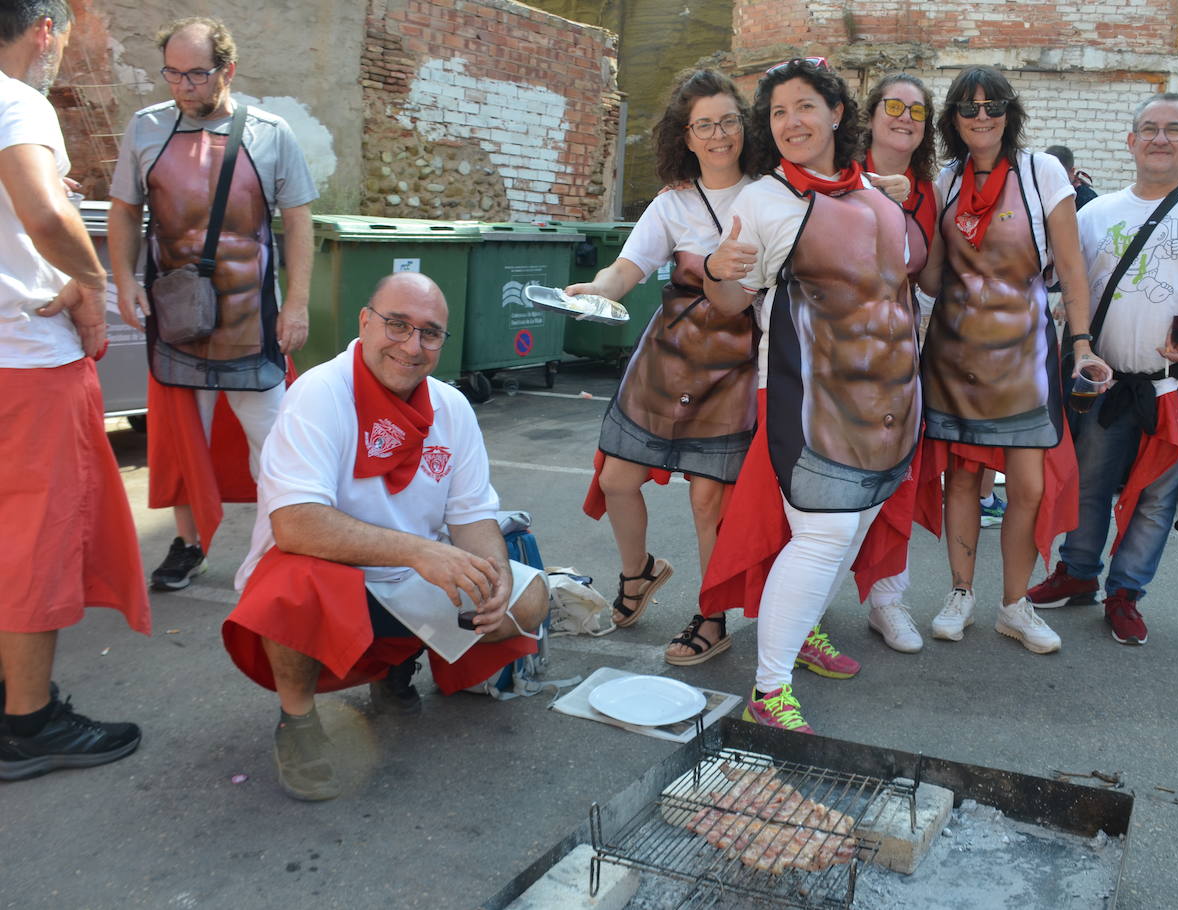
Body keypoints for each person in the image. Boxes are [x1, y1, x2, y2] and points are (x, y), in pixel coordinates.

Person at [222, 273, 549, 800]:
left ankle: (394, 666)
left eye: (429, 333)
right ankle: (298, 721)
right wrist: (422, 552)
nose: (411, 346)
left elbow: (472, 514)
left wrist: (497, 576)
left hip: (410, 575)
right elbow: (297, 523)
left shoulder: (452, 406)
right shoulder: (320, 393)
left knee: (528, 599)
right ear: (365, 322)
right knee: (294, 581)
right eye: (397, 325)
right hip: (334, 576)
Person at [701, 58, 925, 733]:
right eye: (777, 112)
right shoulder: (765, 201)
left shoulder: (875, 195)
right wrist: (717, 270)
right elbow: (730, 300)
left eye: (804, 106)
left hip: (888, 404)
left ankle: (801, 637)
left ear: (835, 113)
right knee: (823, 533)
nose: (790, 121)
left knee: (851, 528)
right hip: (809, 398)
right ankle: (770, 691)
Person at [1027, 92, 1178, 645]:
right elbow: (1064, 284)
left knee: (1158, 493)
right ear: (1131, 140)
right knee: (1089, 483)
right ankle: (1078, 573)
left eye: (1173, 129)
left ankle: (1126, 591)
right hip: (1106, 381)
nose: (1159, 138)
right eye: (1149, 128)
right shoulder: (1095, 213)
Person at [108, 16, 317, 591]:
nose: (182, 86)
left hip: (252, 318)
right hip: (175, 317)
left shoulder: (272, 133)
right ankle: (188, 543)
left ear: (227, 69)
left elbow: (298, 223)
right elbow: (125, 209)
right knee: (180, 447)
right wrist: (125, 281)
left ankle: (280, 546)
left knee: (277, 447)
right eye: (172, 74)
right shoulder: (146, 129)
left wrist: (296, 304)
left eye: (196, 74)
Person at [0, 0, 149, 781]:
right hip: (21, 361)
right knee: (32, 542)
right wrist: (91, 279)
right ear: (44, 30)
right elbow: (44, 212)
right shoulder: (15, 100)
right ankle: (26, 723)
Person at [568, 69, 758, 666]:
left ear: (744, 127)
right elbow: (625, 270)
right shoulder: (672, 202)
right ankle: (639, 573)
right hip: (666, 358)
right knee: (617, 478)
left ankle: (711, 614)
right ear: (687, 135)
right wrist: (597, 290)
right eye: (704, 124)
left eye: (728, 120)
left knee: (709, 500)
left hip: (736, 364)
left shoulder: (769, 193)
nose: (718, 134)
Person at [914, 66, 1104, 655]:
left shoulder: (1042, 171)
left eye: (992, 105)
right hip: (955, 352)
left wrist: (1081, 342)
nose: (981, 117)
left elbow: (1071, 268)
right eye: (968, 109)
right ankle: (961, 593)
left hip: (1025, 351)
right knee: (963, 477)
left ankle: (1014, 606)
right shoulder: (943, 180)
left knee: (1027, 485)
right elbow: (932, 274)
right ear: (952, 119)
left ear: (1008, 112)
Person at [855, 71, 938, 653]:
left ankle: (888, 599)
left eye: (917, 111)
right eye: (893, 105)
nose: (904, 117)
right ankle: (802, 606)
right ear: (870, 114)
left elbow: (927, 277)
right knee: (818, 482)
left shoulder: (928, 189)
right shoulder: (834, 172)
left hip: (897, 349)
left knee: (894, 478)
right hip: (827, 347)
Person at [1045, 145, 1098, 210]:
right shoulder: (1037, 194)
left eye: (1059, 175)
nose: (1053, 181)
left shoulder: (1088, 198)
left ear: (1072, 172)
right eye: (1048, 174)